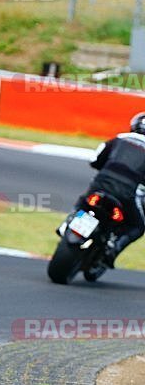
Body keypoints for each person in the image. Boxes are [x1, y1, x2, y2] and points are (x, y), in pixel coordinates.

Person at [86, 113, 145, 268]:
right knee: (138, 226)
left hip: (100, 185)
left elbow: (95, 160)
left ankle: (67, 224)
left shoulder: (119, 138)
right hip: (127, 194)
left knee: (83, 201)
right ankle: (114, 250)